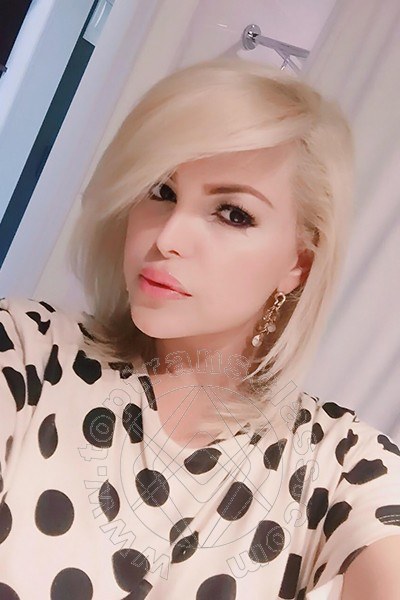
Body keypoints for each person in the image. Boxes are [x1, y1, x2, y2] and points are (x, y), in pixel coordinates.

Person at [0, 57, 399, 600]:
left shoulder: (343, 466)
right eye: (162, 191)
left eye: (232, 213)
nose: (167, 238)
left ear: (298, 264)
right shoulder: (28, 353)